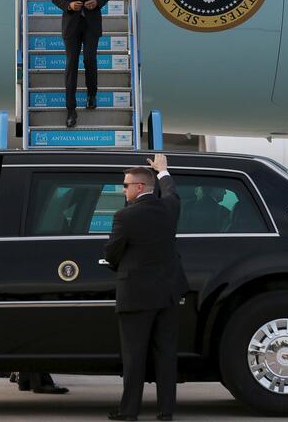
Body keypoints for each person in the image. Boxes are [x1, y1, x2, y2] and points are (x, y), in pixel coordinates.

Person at [104, 154, 187, 421]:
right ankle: (166, 410)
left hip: (136, 295)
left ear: (139, 187)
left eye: (126, 185)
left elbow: (112, 252)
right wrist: (163, 171)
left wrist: (116, 264)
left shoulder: (125, 216)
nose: (123, 190)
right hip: (168, 293)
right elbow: (172, 192)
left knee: (134, 355)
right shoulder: (170, 207)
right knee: (166, 354)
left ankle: (129, 411)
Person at [50, 0, 110, 127]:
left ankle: (92, 94)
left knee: (90, 59)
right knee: (72, 64)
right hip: (72, 25)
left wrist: (97, 2)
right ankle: (71, 110)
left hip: (92, 24)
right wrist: (68, 5)